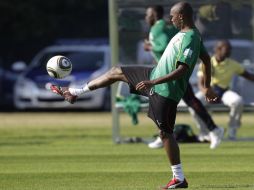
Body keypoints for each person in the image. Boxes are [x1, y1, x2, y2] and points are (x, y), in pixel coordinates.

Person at [49, 2, 218, 189]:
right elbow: (207, 60)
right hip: (153, 76)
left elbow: (182, 69)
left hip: (165, 89)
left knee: (165, 134)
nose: (170, 19)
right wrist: (207, 87)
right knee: (116, 71)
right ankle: (74, 92)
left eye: (172, 16)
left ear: (181, 16)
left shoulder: (191, 37)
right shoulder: (185, 35)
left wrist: (154, 83)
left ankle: (179, 178)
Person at [143, 5, 224, 149]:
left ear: (154, 14)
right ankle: (212, 129)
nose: (146, 17)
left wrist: (150, 47)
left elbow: (166, 46)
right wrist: (207, 86)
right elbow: (205, 57)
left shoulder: (158, 28)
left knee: (168, 102)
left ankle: (212, 129)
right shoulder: (183, 30)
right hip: (169, 72)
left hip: (170, 73)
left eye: (148, 14)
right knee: (188, 102)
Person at [194, 39, 254, 140]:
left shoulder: (233, 64)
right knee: (195, 102)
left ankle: (232, 130)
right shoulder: (207, 62)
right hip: (209, 91)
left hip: (224, 92)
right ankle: (205, 133)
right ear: (218, 49)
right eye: (228, 49)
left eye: (230, 49)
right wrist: (207, 93)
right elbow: (201, 83)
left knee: (238, 101)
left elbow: (248, 76)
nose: (230, 51)